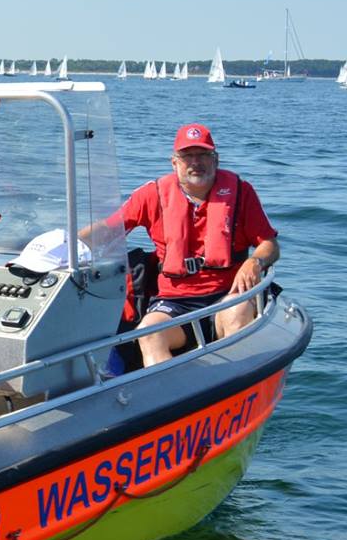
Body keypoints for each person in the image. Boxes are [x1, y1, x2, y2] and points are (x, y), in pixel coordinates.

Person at [111, 122, 279, 366]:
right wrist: (65, 246)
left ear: (216, 159)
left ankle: (232, 386)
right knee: (148, 333)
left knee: (237, 314)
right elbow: (106, 231)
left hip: (227, 293)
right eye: (187, 156)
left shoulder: (242, 192)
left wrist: (255, 262)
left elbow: (270, 244)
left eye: (203, 155)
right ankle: (169, 397)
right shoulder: (151, 195)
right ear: (174, 162)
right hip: (174, 300)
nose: (196, 162)